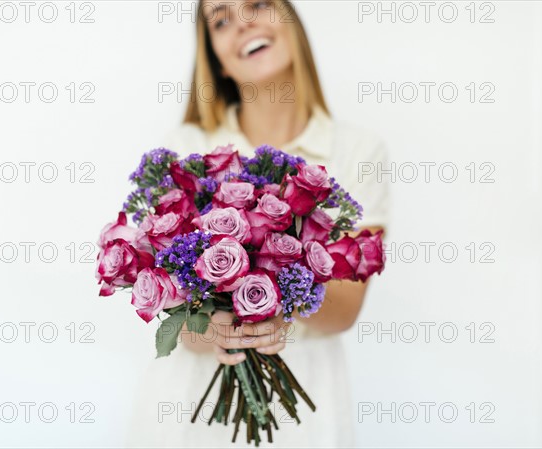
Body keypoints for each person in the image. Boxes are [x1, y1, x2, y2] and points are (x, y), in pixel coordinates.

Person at [126, 1, 389, 447]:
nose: (243, 22)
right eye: (221, 19)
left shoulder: (359, 150)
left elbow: (347, 307)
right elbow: (180, 314)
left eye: (258, 3)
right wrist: (212, 325)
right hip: (191, 405)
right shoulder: (186, 148)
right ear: (214, 56)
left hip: (308, 397)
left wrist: (275, 296)